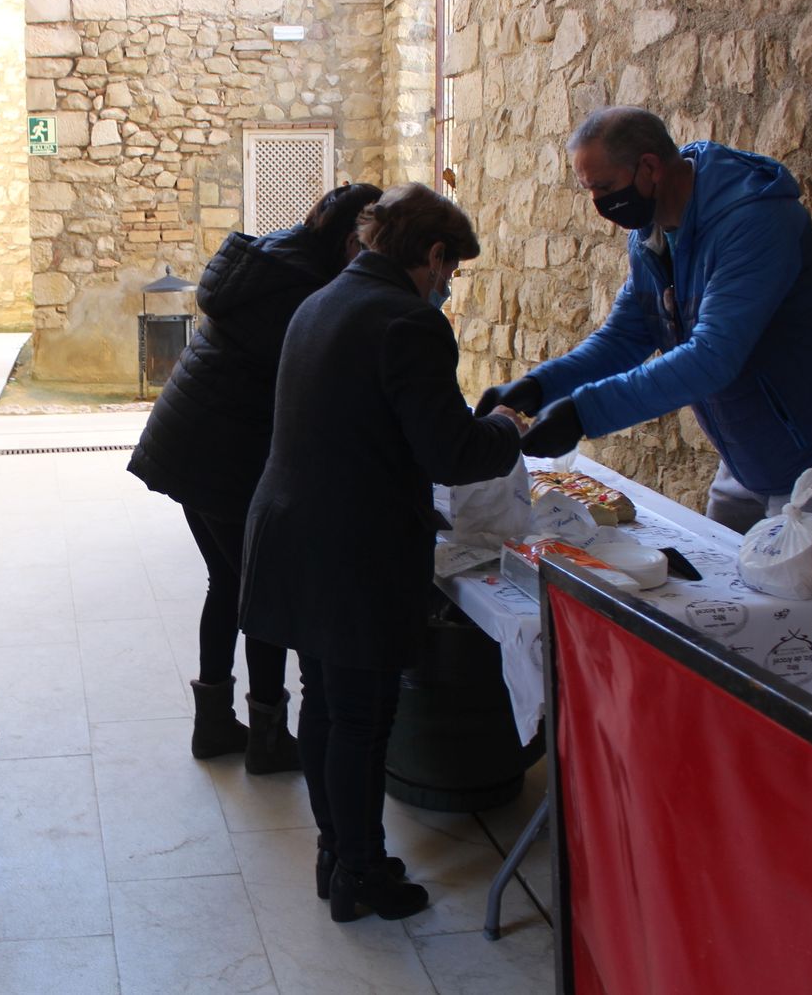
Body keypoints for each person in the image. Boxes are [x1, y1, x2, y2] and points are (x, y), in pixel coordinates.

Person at [239, 182, 526, 922]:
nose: (447, 286)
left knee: (326, 705)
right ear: (431, 255)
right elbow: (450, 451)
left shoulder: (325, 298)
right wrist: (508, 427)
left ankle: (336, 854)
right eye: (451, 270)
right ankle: (362, 873)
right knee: (362, 720)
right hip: (351, 549)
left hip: (294, 530)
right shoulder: (406, 320)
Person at [483, 106, 812, 575]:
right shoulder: (652, 233)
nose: (600, 205)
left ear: (649, 168)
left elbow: (712, 357)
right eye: (589, 190)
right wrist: (538, 386)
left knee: (798, 609)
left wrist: (584, 412)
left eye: (605, 189)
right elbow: (626, 335)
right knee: (717, 588)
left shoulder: (753, 222)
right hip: (746, 448)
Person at [128, 183, 383, 773]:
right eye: (375, 250)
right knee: (261, 588)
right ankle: (267, 737)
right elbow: (318, 390)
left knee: (230, 579)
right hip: (217, 451)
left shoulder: (278, 256)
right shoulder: (307, 289)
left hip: (190, 441)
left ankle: (215, 724)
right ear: (351, 242)